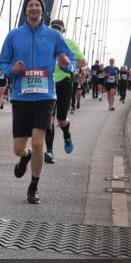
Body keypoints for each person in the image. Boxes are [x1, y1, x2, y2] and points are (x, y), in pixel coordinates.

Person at [0, 0, 76, 204]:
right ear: (25, 10)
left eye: (37, 5)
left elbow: (72, 61)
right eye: (30, 5)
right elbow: (3, 63)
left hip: (45, 96)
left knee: (38, 142)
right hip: (21, 97)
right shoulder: (14, 35)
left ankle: (33, 185)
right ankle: (25, 156)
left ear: (42, 11)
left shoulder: (54, 35)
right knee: (18, 148)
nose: (34, 8)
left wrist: (66, 64)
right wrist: (12, 69)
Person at [44, 19, 84, 163]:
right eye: (53, 28)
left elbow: (82, 62)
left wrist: (67, 66)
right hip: (47, 84)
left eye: (58, 28)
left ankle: (67, 135)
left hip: (64, 83)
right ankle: (49, 152)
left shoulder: (70, 44)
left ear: (64, 30)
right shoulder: (44, 43)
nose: (56, 30)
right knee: (49, 119)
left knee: (61, 120)